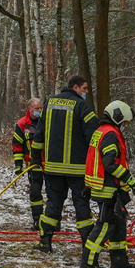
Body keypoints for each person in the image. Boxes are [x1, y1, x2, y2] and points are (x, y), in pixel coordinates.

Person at [32, 76, 99, 251]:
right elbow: (94, 135)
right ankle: (87, 245)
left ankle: (45, 242)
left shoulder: (49, 104)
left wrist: (36, 158)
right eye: (84, 88)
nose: (86, 92)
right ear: (75, 87)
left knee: (53, 203)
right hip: (77, 170)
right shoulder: (82, 106)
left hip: (53, 168)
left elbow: (39, 134)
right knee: (81, 205)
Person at [81, 100, 135, 268]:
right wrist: (129, 180)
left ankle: (120, 261)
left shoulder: (101, 132)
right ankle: (88, 263)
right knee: (105, 225)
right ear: (117, 117)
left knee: (118, 225)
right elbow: (110, 164)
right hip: (108, 189)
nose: (124, 126)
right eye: (124, 123)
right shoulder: (110, 135)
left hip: (105, 187)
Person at [11, 97, 45, 230]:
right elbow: (17, 146)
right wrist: (18, 165)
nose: (39, 111)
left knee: (53, 193)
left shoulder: (46, 122)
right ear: (29, 109)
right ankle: (37, 220)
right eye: (37, 109)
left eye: (40, 108)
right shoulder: (22, 124)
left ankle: (53, 221)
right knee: (35, 192)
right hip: (33, 164)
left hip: (49, 164)